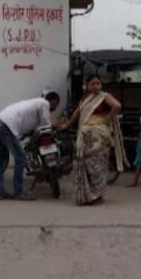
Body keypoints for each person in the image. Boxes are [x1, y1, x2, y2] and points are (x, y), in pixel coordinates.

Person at [60, 74, 125, 206]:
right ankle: (87, 195)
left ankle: (96, 195)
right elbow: (77, 113)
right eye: (93, 84)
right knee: (84, 163)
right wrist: (68, 124)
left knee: (98, 166)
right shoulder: (85, 99)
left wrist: (106, 119)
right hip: (85, 136)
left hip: (99, 136)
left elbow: (117, 106)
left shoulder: (105, 96)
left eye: (98, 83)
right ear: (87, 86)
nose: (96, 86)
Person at [0, 92, 61, 201]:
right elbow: (46, 125)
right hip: (6, 125)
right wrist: (56, 127)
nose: (55, 108)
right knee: (20, 158)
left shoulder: (35, 105)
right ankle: (18, 192)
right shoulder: (44, 103)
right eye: (56, 104)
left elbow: (32, 127)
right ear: (53, 101)